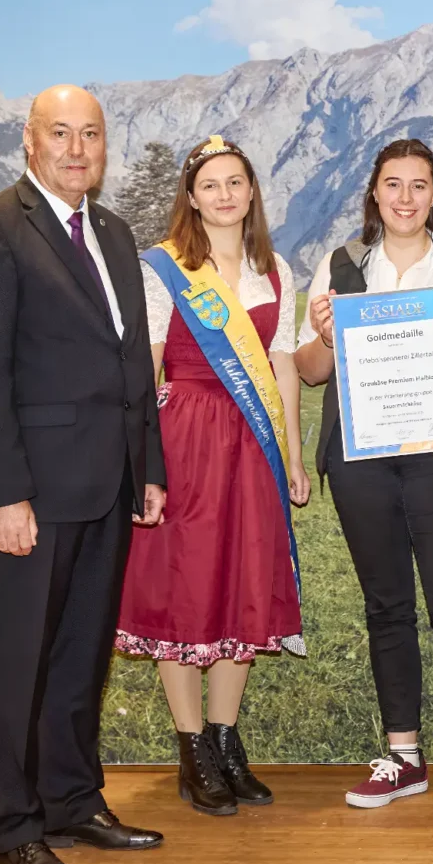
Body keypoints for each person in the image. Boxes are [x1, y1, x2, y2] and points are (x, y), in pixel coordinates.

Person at [0, 85, 166, 864]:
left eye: (91, 135)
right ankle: (13, 830)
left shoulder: (110, 230)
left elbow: (130, 360)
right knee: (18, 662)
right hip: (32, 491)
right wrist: (4, 493)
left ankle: (72, 799)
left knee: (78, 660)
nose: (78, 148)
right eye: (60, 133)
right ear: (28, 142)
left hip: (107, 485)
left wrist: (149, 468)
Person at [295, 139, 433, 831]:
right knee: (387, 607)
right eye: (394, 184)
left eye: (420, 186)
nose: (406, 198)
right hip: (362, 461)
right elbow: (307, 370)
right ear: (374, 193)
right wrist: (327, 335)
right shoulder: (338, 267)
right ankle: (404, 755)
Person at [114, 136, 308, 816]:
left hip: (252, 443)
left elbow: (283, 368)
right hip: (190, 437)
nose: (225, 195)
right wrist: (149, 461)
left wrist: (292, 455)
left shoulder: (275, 270)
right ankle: (192, 749)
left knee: (242, 586)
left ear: (252, 192)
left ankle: (227, 742)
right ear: (191, 198)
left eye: (236, 183)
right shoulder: (165, 269)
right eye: (211, 185)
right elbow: (149, 364)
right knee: (187, 586)